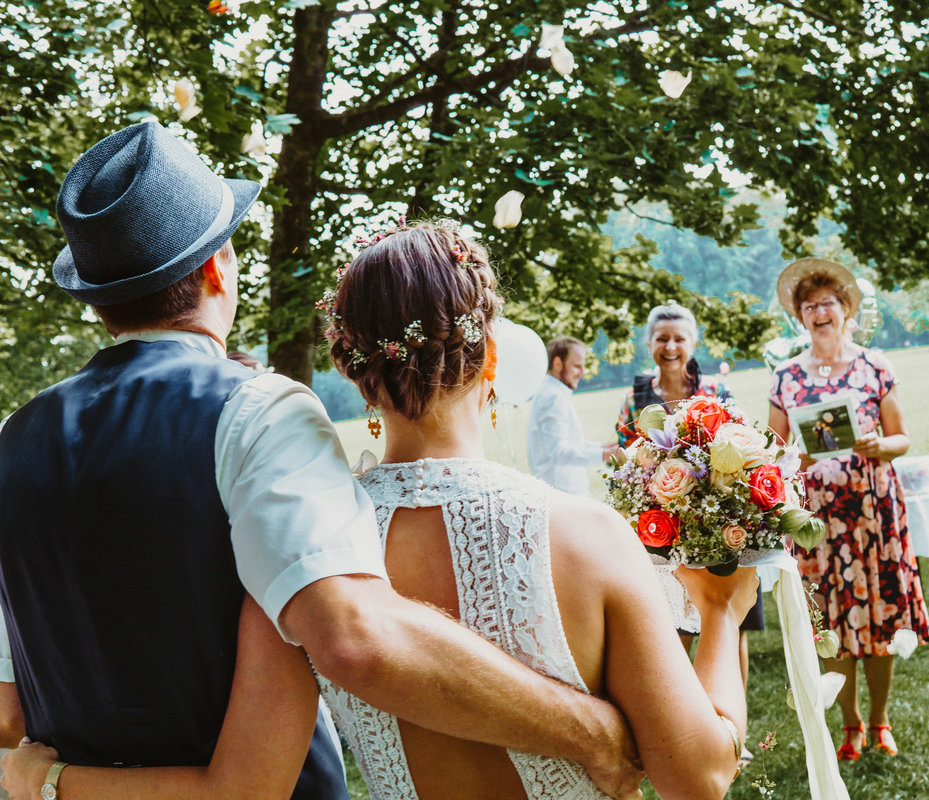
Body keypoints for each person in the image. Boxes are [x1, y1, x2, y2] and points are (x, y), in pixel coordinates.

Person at [0, 121, 640, 799]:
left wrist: (51, 784)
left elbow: (11, 709)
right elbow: (353, 639)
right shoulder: (258, 411)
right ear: (219, 265)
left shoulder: (13, 442)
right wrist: (589, 732)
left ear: (98, 301)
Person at [767, 258, 929, 761]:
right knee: (833, 628)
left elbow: (902, 437)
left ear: (846, 310)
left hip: (873, 515)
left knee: (879, 619)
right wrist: (798, 456)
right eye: (809, 305)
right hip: (817, 522)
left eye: (828, 303)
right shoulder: (785, 375)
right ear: (800, 317)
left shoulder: (875, 365)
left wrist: (879, 444)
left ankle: (880, 721)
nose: (819, 312)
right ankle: (851, 724)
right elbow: (770, 452)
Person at [613, 301, 764, 760]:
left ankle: (732, 731)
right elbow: (623, 463)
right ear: (649, 344)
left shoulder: (716, 390)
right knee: (672, 631)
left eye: (679, 338)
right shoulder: (635, 397)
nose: (671, 346)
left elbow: (744, 450)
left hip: (717, 528)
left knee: (731, 627)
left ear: (693, 343)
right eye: (662, 339)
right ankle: (682, 725)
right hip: (660, 534)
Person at [527, 336, 619, 495]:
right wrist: (604, 454)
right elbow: (558, 452)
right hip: (563, 493)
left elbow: (571, 442)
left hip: (565, 492)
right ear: (557, 364)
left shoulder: (552, 392)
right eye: (577, 366)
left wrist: (603, 447)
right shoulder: (552, 397)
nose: (582, 373)